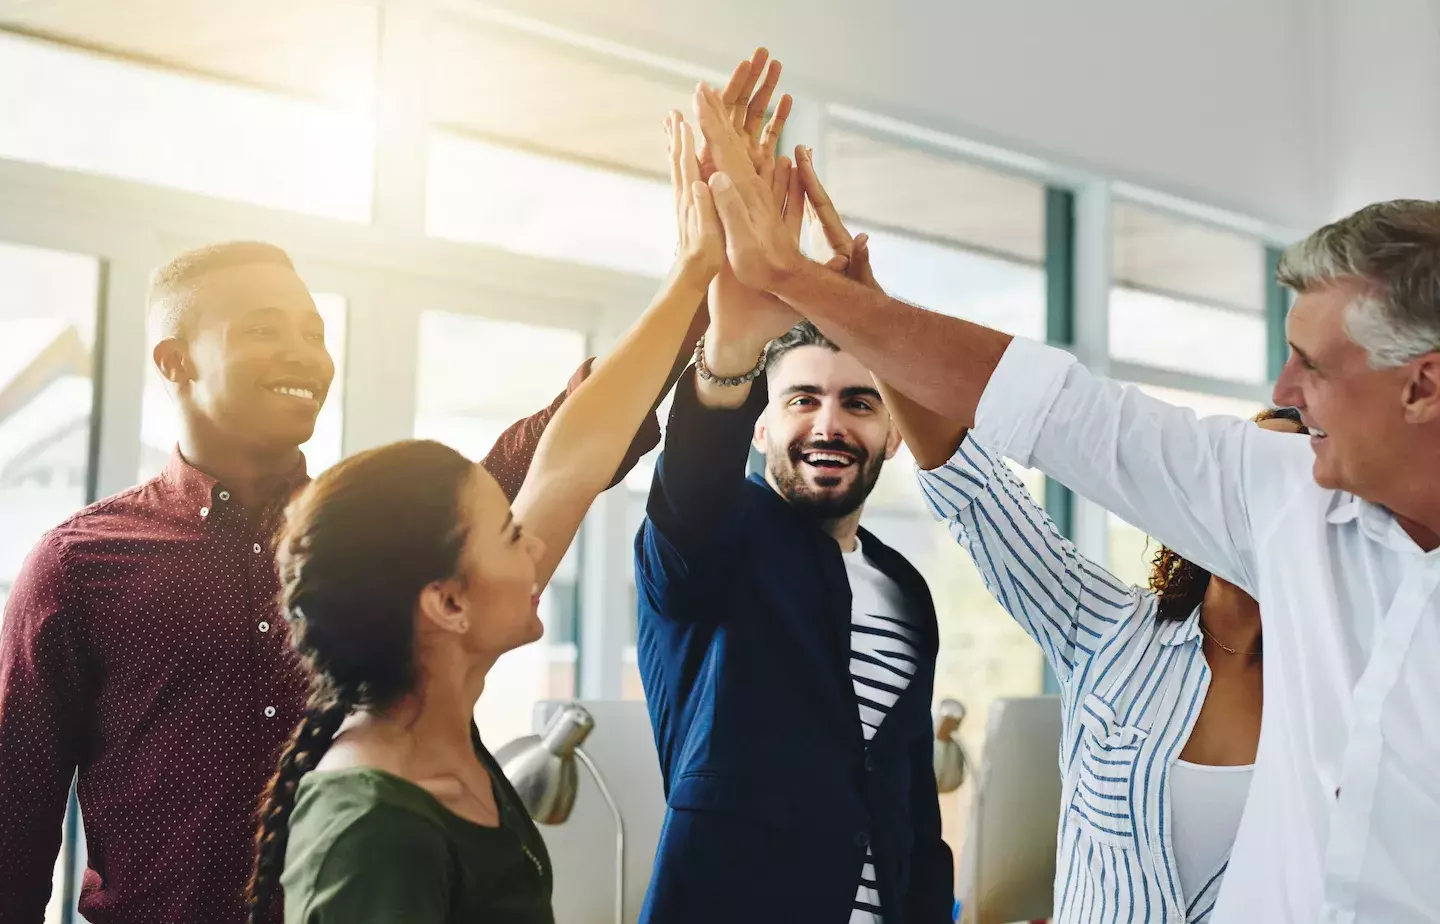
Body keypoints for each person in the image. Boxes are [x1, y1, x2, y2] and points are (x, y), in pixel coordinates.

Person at [692, 75, 1440, 924]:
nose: (1285, 391)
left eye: (1317, 370)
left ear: (1423, 387)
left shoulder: (1331, 614)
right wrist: (844, 303)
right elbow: (1048, 425)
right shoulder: (1169, 592)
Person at [0, 231, 700, 922]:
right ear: (175, 361)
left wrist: (701, 281)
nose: (303, 354)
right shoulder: (79, 566)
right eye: (265, 331)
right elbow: (14, 829)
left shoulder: (376, 534)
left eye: (314, 332)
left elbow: (563, 444)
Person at [244, 108, 724, 924]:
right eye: (507, 535)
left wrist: (694, 277)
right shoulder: (372, 827)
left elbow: (571, 464)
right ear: (447, 603)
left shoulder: (442, 734)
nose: (534, 541)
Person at [903, 395, 1302, 923]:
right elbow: (972, 488)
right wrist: (862, 319)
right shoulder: (1107, 627)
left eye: (1284, 480)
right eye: (1240, 469)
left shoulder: (1339, 689)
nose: (1249, 493)